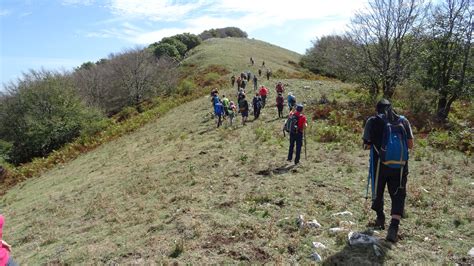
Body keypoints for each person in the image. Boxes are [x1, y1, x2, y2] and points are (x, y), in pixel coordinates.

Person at [362, 99, 414, 243]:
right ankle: (393, 228)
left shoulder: (372, 121)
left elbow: (366, 145)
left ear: (376, 109)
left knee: (378, 190)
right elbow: (410, 145)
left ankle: (380, 217)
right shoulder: (403, 121)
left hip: (379, 164)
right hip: (400, 166)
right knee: (398, 194)